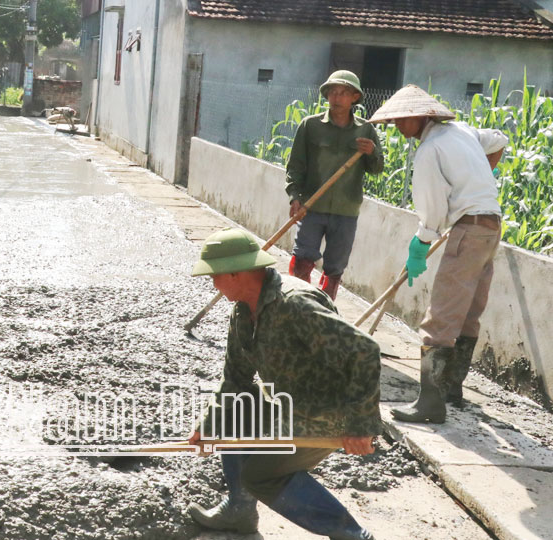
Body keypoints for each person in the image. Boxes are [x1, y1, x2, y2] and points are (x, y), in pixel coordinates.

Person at [186, 228, 381, 539]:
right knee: (238, 407)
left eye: (215, 276)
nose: (214, 284)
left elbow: (364, 351)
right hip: (290, 401)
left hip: (330, 410)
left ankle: (352, 534)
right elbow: (235, 379)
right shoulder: (243, 313)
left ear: (237, 274)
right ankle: (239, 510)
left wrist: (361, 425)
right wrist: (208, 425)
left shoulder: (295, 304)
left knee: (260, 475)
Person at [368, 85, 507, 424]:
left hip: (468, 229)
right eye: (396, 121)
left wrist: (421, 244)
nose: (400, 127)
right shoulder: (462, 131)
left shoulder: (429, 150)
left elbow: (430, 212)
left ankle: (430, 403)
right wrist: (477, 182)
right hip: (490, 226)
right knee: (469, 310)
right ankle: (451, 390)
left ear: (422, 116)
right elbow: (499, 139)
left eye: (404, 120)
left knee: (441, 315)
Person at [285, 70, 385, 300]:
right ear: (327, 96)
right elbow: (296, 166)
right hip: (311, 206)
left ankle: (324, 309)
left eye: (343, 93)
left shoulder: (366, 130)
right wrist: (295, 196)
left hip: (346, 211)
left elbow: (377, 169)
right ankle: (295, 305)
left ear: (354, 98)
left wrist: (372, 152)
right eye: (333, 93)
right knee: (302, 259)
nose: (337, 98)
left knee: (335, 267)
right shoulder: (310, 126)